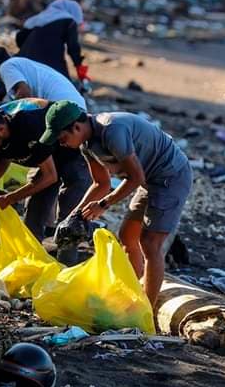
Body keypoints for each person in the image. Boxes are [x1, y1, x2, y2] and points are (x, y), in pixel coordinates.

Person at [39, 101, 193, 322]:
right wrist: (74, 215)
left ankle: (145, 311)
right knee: (127, 237)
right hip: (148, 181)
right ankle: (131, 292)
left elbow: (135, 177)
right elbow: (100, 184)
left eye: (62, 138)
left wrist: (103, 204)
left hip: (171, 177)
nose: (61, 144)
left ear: (76, 127)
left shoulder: (112, 130)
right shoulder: (86, 145)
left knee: (150, 243)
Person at [0, 100, 91, 247]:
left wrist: (9, 199)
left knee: (69, 221)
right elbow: (1, 160)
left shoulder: (27, 126)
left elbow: (50, 176)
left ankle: (72, 260)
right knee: (33, 217)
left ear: (0, 129)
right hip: (46, 158)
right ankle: (33, 262)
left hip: (73, 153)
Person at [0, 48, 86, 108]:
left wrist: (4, 110)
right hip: (76, 107)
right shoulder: (22, 63)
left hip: (64, 109)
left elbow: (25, 95)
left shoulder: (6, 66)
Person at [15, 0, 88, 84]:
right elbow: (73, 46)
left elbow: (20, 37)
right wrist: (78, 64)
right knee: (65, 86)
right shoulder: (69, 21)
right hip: (50, 64)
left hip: (23, 60)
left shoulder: (39, 18)